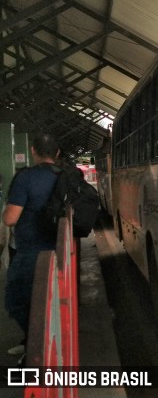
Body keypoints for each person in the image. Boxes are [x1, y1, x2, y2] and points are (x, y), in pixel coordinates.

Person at [2, 133, 60, 362]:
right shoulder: (65, 176)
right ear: (57, 153)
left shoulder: (25, 178)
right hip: (59, 250)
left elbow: (10, 219)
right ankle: (35, 342)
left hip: (31, 252)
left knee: (15, 301)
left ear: (33, 151)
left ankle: (37, 344)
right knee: (49, 301)